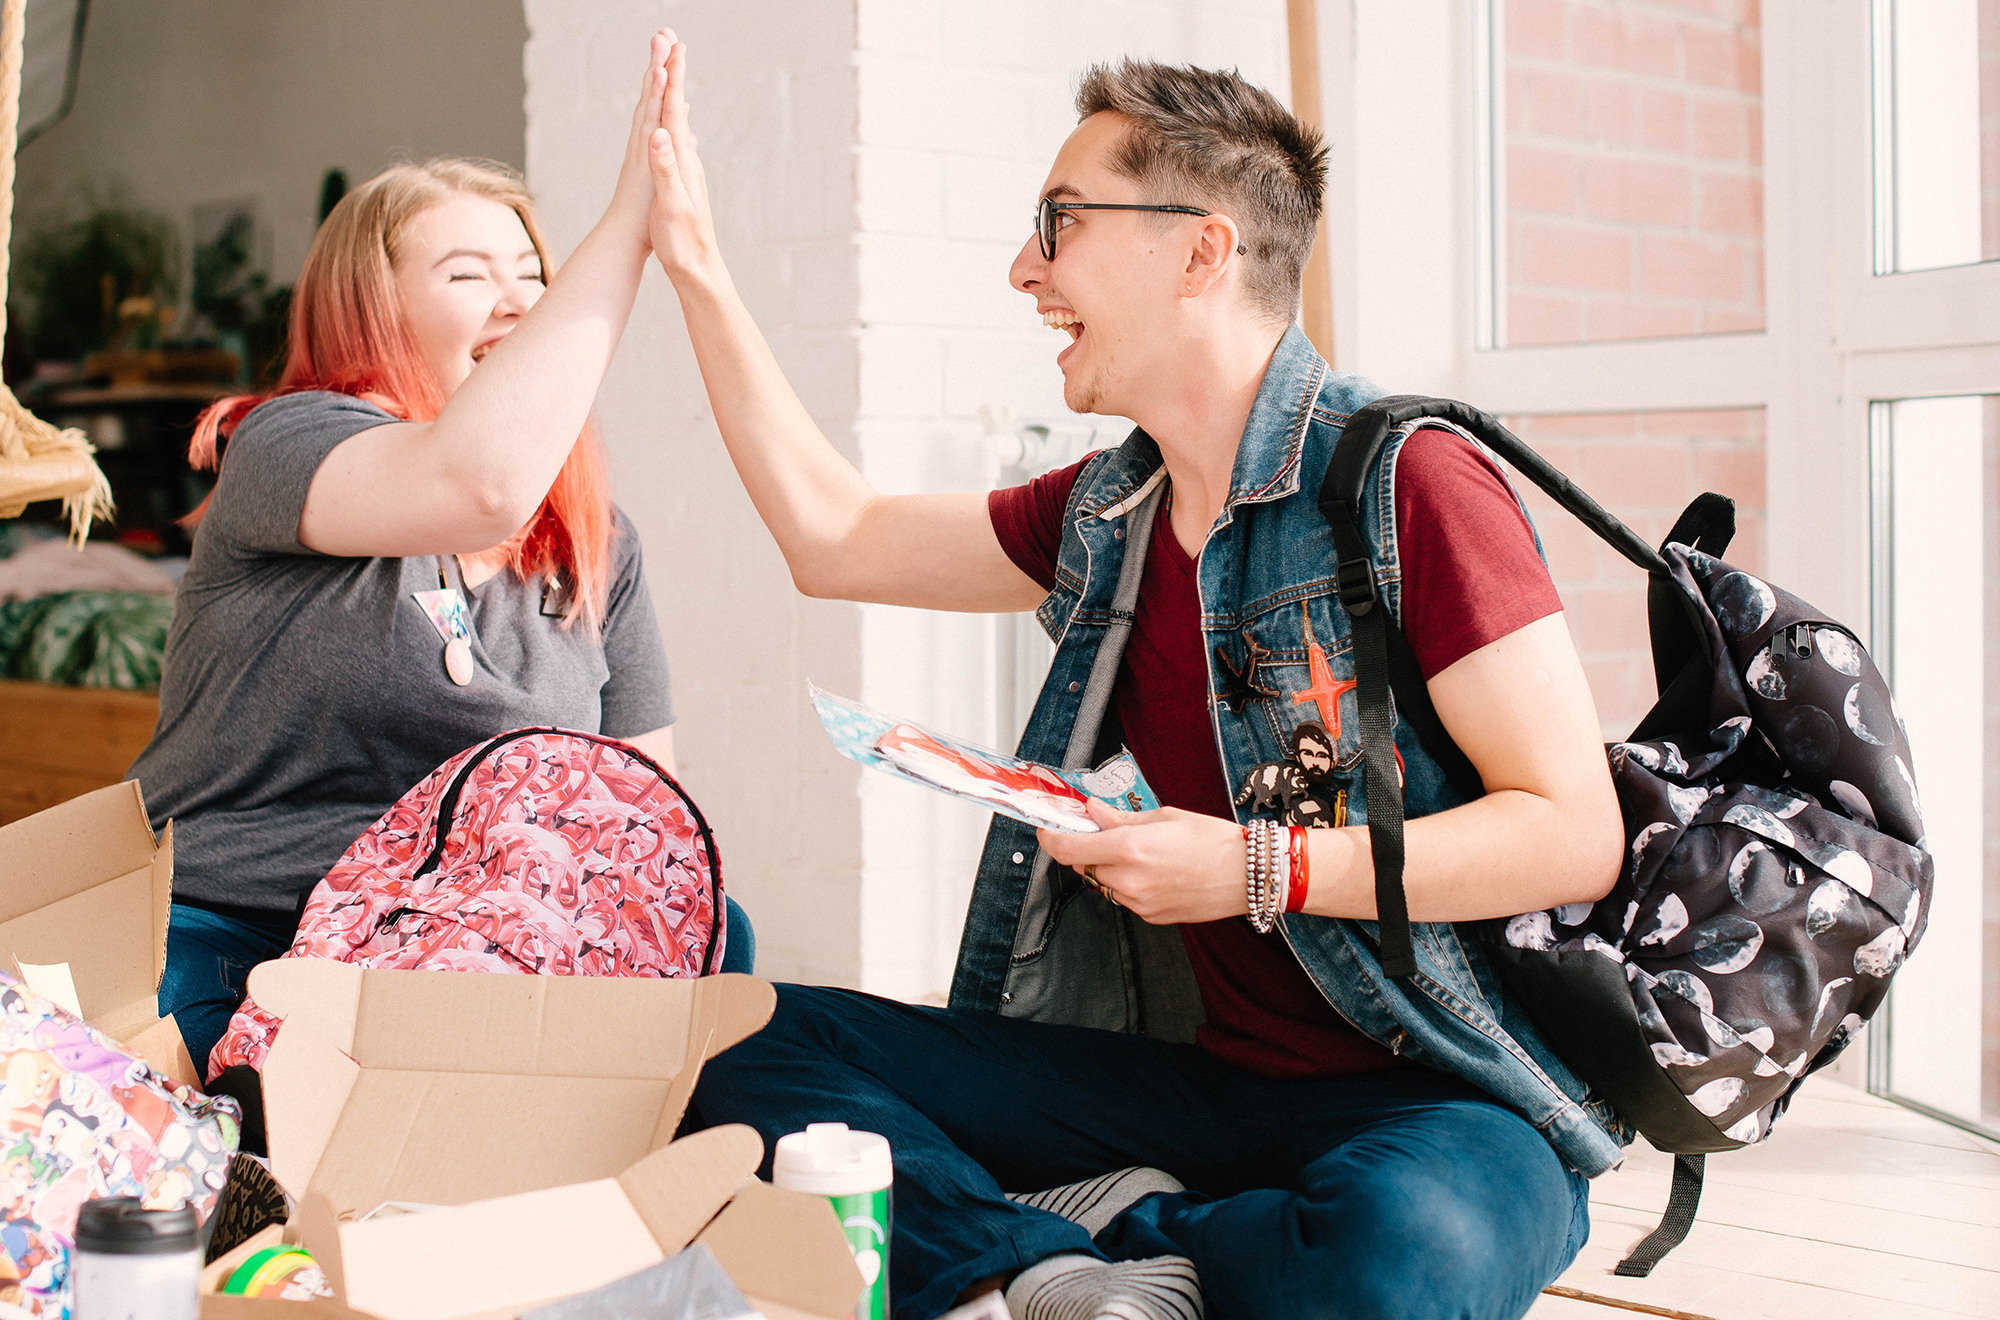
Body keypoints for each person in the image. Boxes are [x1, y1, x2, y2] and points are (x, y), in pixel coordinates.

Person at [649, 43, 1623, 1320]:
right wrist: (697, 265)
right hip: (1200, 1086)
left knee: (1402, 1254)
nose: (1023, 269)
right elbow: (833, 539)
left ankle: (1129, 1231)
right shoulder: (1110, 508)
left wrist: (1253, 866)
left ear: (1199, 252)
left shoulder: (1406, 483)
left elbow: (1569, 832)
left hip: (1439, 1098)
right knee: (742, 1032)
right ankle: (1040, 1269)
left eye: (1057, 224)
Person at [136, 32, 751, 1077]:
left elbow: (633, 818)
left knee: (714, 931)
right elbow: (476, 485)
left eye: (536, 274)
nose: (521, 301)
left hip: (455, 954)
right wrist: (628, 230)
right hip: (237, 930)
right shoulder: (291, 447)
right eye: (468, 274)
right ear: (371, 308)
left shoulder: (597, 545)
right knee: (221, 1130)